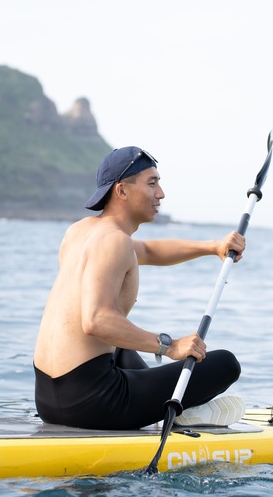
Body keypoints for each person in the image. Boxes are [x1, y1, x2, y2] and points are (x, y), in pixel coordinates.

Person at [33, 146, 245, 430]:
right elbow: (96, 320)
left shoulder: (80, 232)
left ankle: (176, 404)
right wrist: (170, 346)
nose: (161, 194)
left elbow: (148, 250)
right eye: (152, 183)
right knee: (226, 364)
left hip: (48, 398)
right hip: (93, 403)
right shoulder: (114, 242)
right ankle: (181, 410)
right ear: (121, 191)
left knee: (119, 348)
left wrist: (213, 246)